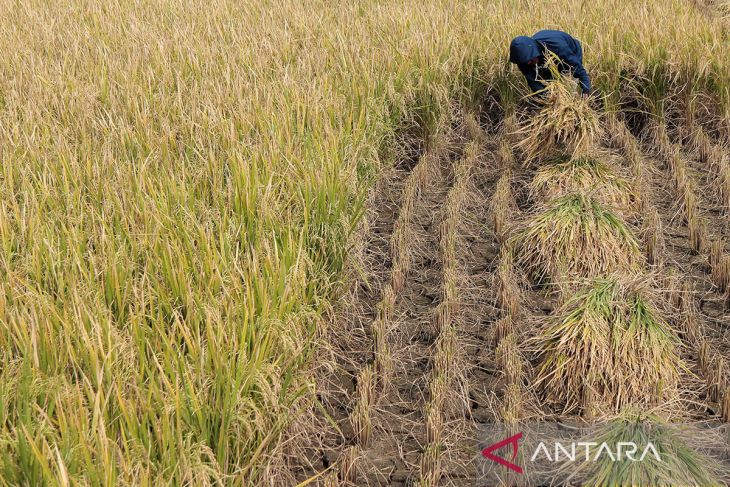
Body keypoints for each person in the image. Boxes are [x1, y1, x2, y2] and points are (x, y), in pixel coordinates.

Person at [509, 30, 591, 97]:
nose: (528, 63)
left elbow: (579, 70)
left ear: (534, 52)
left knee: (572, 83)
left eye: (530, 59)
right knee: (548, 81)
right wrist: (546, 97)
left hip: (571, 51)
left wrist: (586, 89)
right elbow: (532, 81)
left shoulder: (558, 47)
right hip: (545, 57)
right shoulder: (523, 57)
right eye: (525, 61)